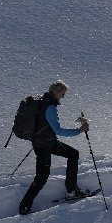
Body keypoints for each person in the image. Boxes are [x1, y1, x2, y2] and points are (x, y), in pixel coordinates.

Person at [19, 80, 91, 215]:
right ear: (56, 92)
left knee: (73, 154)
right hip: (44, 145)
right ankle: (24, 206)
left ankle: (71, 190)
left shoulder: (43, 101)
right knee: (41, 177)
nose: (63, 96)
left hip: (46, 142)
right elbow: (58, 131)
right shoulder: (50, 107)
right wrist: (79, 130)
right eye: (62, 93)